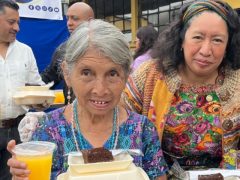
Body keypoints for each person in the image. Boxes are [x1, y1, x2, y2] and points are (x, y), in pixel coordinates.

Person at [7, 19, 168, 180]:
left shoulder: (143, 130)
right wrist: (21, 176)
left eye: (112, 74)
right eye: (86, 73)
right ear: (67, 74)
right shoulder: (47, 130)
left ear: (126, 76)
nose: (100, 90)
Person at [122, 0, 240, 178]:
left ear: (228, 45)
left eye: (217, 40)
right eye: (198, 37)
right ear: (181, 39)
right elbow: (122, 126)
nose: (206, 50)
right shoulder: (150, 74)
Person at [0, 1, 45, 179]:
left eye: (18, 23)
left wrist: (41, 100)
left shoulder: (25, 51)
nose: (17, 27)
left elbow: (36, 86)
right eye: (11, 22)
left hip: (17, 130)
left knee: (17, 176)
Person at [41, 2, 94, 104]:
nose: (69, 23)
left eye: (75, 18)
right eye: (68, 18)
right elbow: (49, 77)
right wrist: (30, 88)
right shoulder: (63, 50)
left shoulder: (105, 48)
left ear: (90, 21)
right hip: (73, 114)